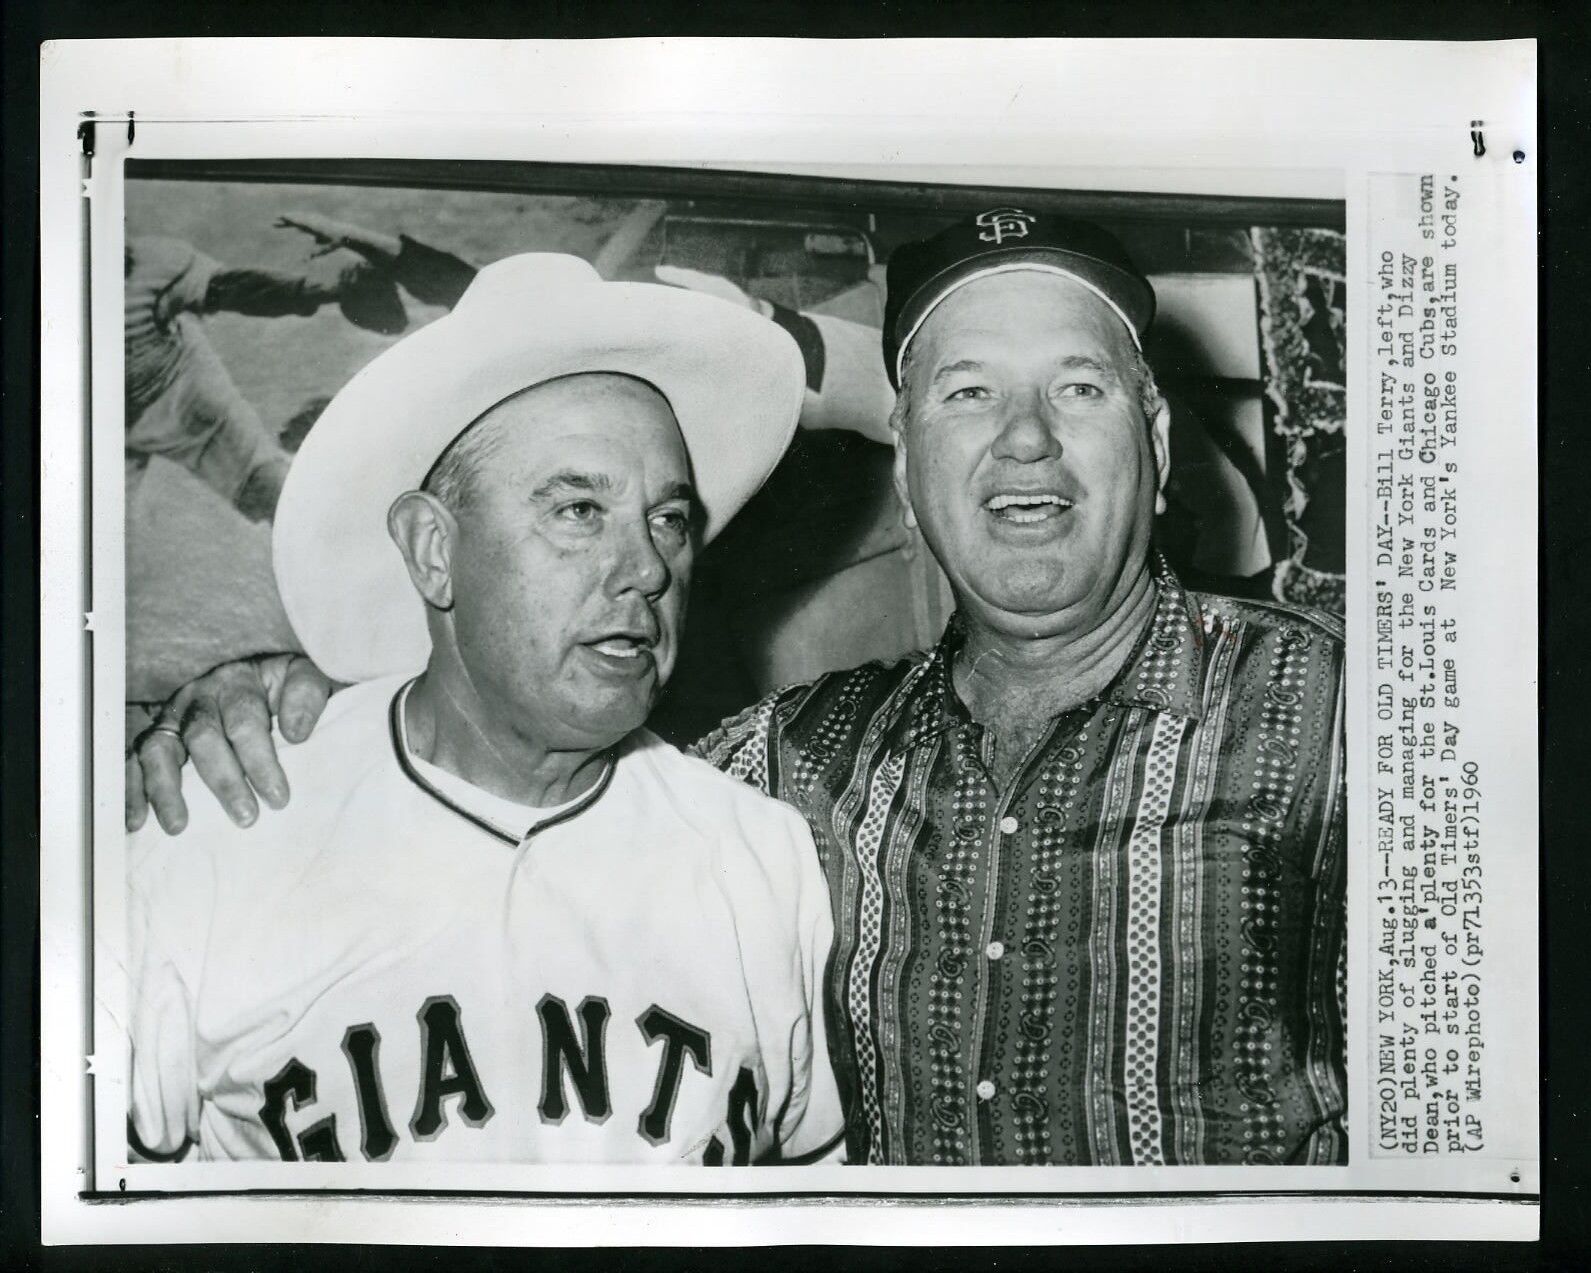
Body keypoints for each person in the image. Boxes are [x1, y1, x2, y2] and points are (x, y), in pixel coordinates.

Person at [131, 211, 1347, 1167]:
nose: (1024, 437)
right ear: (910, 470)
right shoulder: (780, 773)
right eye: (966, 393)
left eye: (1076, 387)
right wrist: (276, 695)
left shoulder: (1346, 722)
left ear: (1159, 438)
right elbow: (510, 746)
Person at [127, 253, 844, 1167]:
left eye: (668, 518)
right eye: (579, 508)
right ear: (432, 550)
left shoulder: (761, 859)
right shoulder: (219, 827)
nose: (649, 568)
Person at [124, 234, 405, 522]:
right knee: (97, 538)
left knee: (275, 496)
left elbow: (231, 288)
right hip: (96, 424)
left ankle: (357, 530)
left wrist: (323, 291)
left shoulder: (152, 262)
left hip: (176, 387)